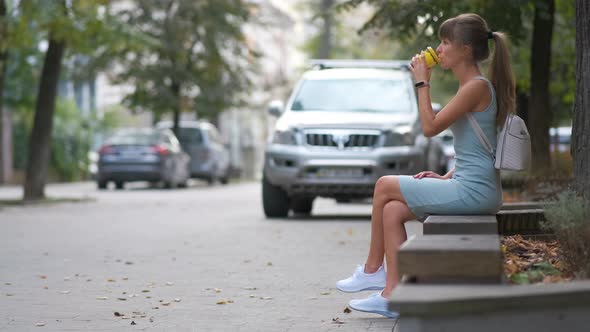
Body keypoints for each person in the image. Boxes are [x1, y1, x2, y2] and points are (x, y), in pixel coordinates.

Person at [336, 13, 515, 318]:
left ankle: (372, 270)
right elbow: (476, 149)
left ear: (466, 50)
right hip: (470, 186)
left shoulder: (476, 87)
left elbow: (430, 127)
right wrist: (445, 176)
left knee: (383, 186)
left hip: (475, 192)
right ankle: (391, 295)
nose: (439, 49)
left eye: (446, 42)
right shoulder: (472, 87)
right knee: (391, 210)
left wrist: (422, 82)